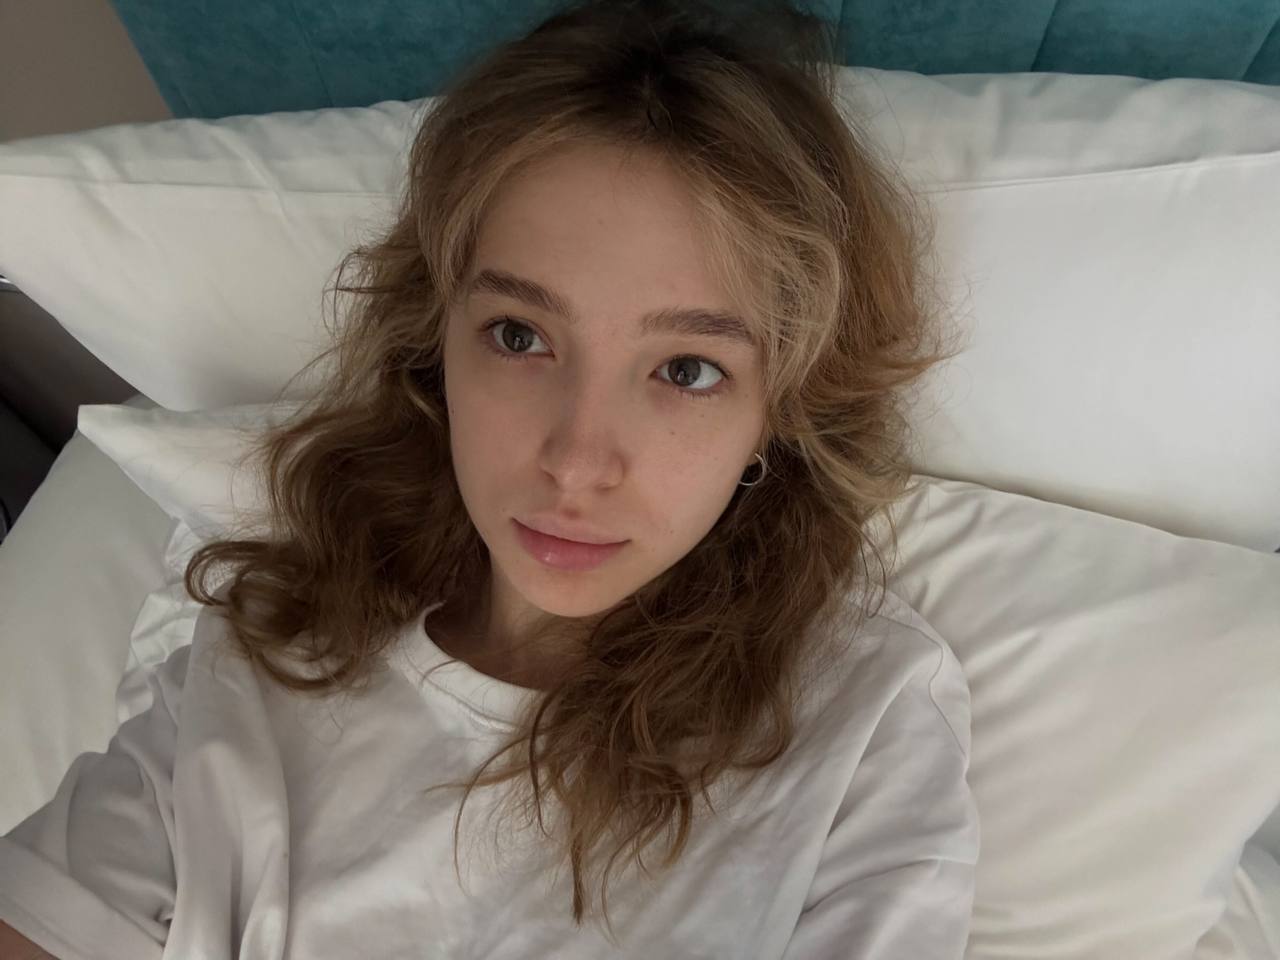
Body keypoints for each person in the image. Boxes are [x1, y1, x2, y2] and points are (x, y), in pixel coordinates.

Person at [0, 0, 976, 956]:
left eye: (686, 370)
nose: (576, 461)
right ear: (437, 346)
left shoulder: (859, 719)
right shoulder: (262, 658)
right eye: (518, 337)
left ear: (780, 408)